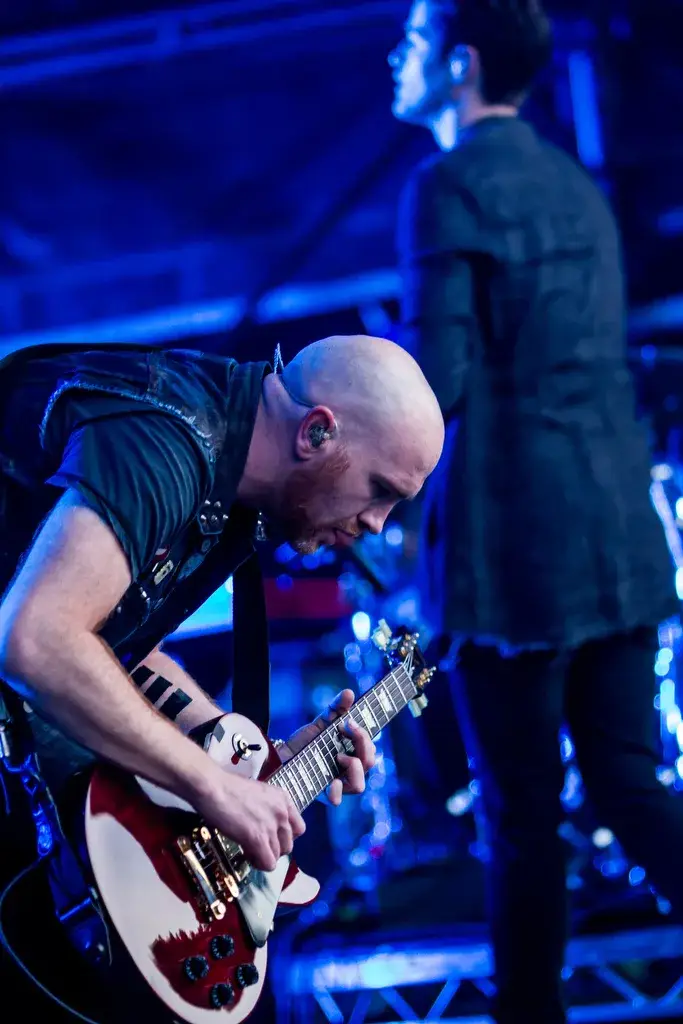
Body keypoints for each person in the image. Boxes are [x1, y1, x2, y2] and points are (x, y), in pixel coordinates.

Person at [0, 333, 444, 1020]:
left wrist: (245, 764)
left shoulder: (234, 484)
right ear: (317, 432)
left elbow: (112, 645)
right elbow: (37, 639)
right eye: (380, 491)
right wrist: (208, 785)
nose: (375, 524)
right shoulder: (165, 441)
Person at [390, 2, 682, 1022]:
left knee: (518, 822)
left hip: (514, 558)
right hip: (616, 541)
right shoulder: (574, 182)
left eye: (415, 41)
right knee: (630, 787)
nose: (398, 57)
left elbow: (437, 387)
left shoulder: (443, 186)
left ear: (458, 67)